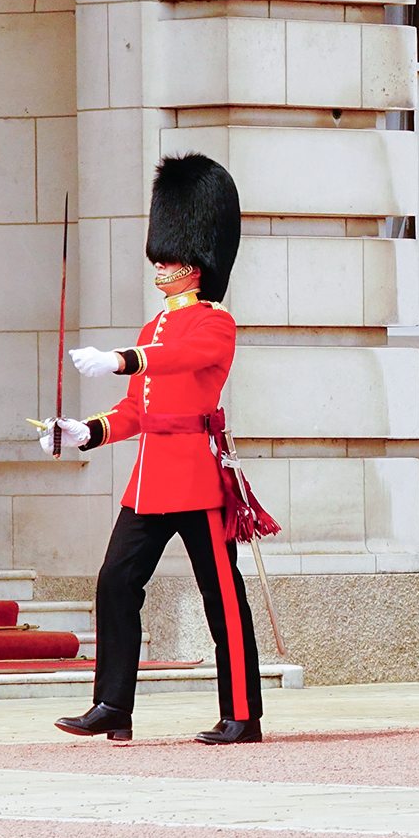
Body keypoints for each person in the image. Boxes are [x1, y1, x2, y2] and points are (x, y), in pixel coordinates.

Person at [47, 154, 264, 745]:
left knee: (222, 599)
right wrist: (83, 431)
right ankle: (113, 704)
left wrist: (120, 360)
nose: (160, 267)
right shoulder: (151, 329)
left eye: (169, 258)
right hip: (151, 480)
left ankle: (243, 713)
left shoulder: (216, 324)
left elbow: (179, 362)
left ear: (196, 264)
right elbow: (137, 413)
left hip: (197, 476)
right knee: (115, 582)